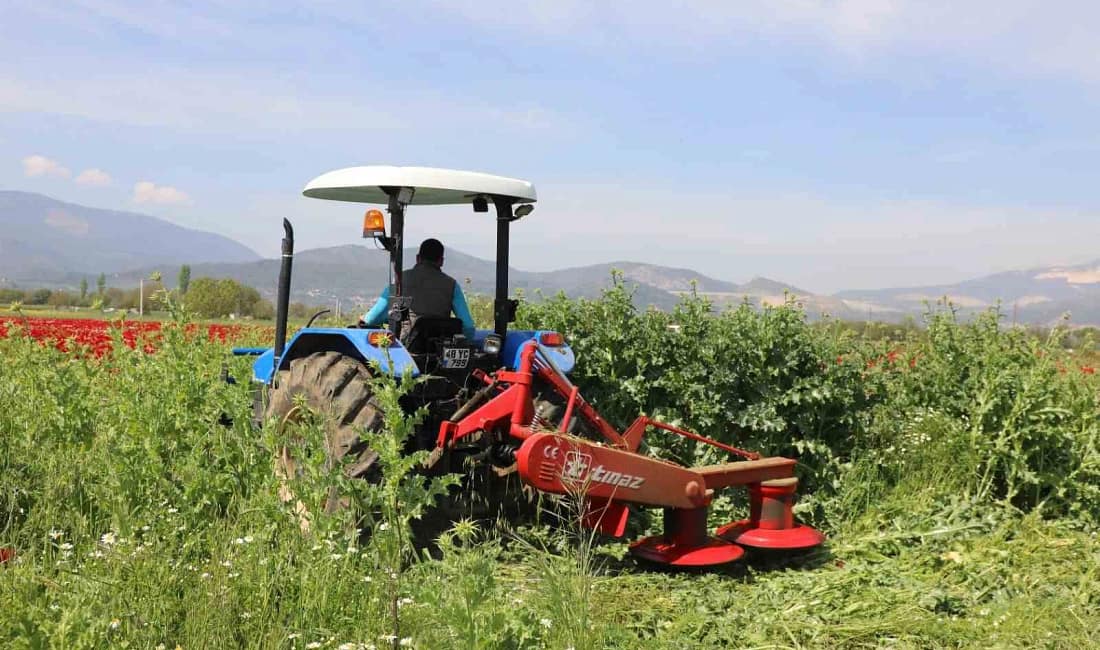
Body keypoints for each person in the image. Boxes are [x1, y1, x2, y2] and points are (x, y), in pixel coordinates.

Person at [362, 238, 476, 339]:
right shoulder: (452, 285)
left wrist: (363, 319)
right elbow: (468, 327)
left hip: (407, 349)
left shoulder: (400, 280)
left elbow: (372, 319)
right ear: (441, 261)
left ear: (418, 258)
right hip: (440, 349)